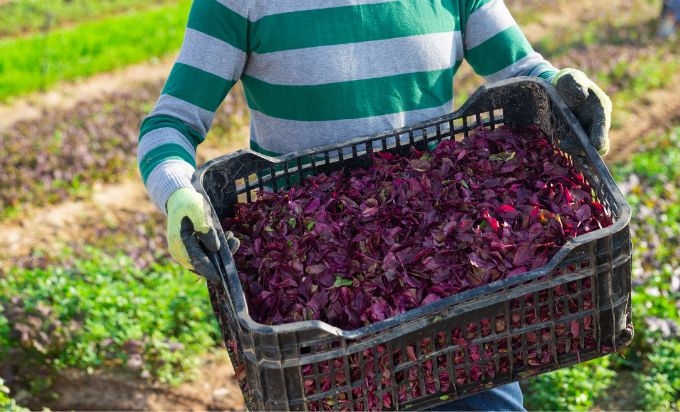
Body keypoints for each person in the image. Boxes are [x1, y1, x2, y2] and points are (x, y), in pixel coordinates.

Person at [136, 1, 611, 409]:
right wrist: (178, 191)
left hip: (444, 277)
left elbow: (524, 73)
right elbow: (170, 123)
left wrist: (562, 85)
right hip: (313, 295)